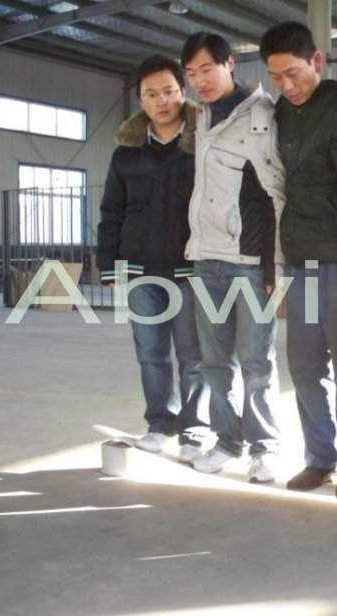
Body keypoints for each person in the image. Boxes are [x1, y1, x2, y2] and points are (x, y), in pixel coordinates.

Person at [259, 21, 337, 499]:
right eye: (276, 77)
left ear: (316, 61)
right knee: (304, 367)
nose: (286, 86)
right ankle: (319, 458)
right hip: (300, 260)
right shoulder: (283, 112)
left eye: (293, 74)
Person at [180, 32, 286, 483]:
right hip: (206, 259)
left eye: (207, 69)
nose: (199, 81)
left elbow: (275, 193)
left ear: (229, 64)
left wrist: (274, 264)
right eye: (191, 74)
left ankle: (265, 448)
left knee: (257, 362)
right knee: (215, 362)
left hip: (249, 262)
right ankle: (227, 442)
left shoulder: (261, 116)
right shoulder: (200, 116)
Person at [97, 54, 208, 463]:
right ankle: (160, 423)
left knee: (193, 355)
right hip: (141, 271)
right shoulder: (126, 153)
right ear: (140, 100)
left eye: (168, 91)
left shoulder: (203, 143)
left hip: (189, 268)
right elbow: (112, 210)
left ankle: (194, 431)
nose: (161, 101)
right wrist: (108, 263)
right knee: (151, 353)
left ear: (183, 92)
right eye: (151, 94)